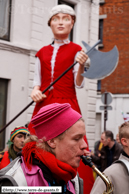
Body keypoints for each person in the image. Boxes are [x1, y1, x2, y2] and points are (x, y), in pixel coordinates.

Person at [28, 4, 94, 194]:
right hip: (44, 104)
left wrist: (81, 66)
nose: (61, 22)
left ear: (72, 23)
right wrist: (35, 91)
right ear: (50, 24)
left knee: (73, 146)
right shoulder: (41, 52)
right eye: (56, 19)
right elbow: (36, 82)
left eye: (66, 19)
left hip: (67, 105)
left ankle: (74, 188)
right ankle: (36, 186)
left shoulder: (76, 49)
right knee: (37, 145)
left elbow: (79, 83)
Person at [0, 103, 87, 194]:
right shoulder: (16, 179)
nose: (84, 145)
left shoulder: (73, 178)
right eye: (77, 138)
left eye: (83, 138)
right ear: (52, 141)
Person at [90, 122, 129, 194]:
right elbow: (100, 161)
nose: (101, 141)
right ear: (124, 141)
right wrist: (91, 157)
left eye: (102, 139)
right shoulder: (109, 175)